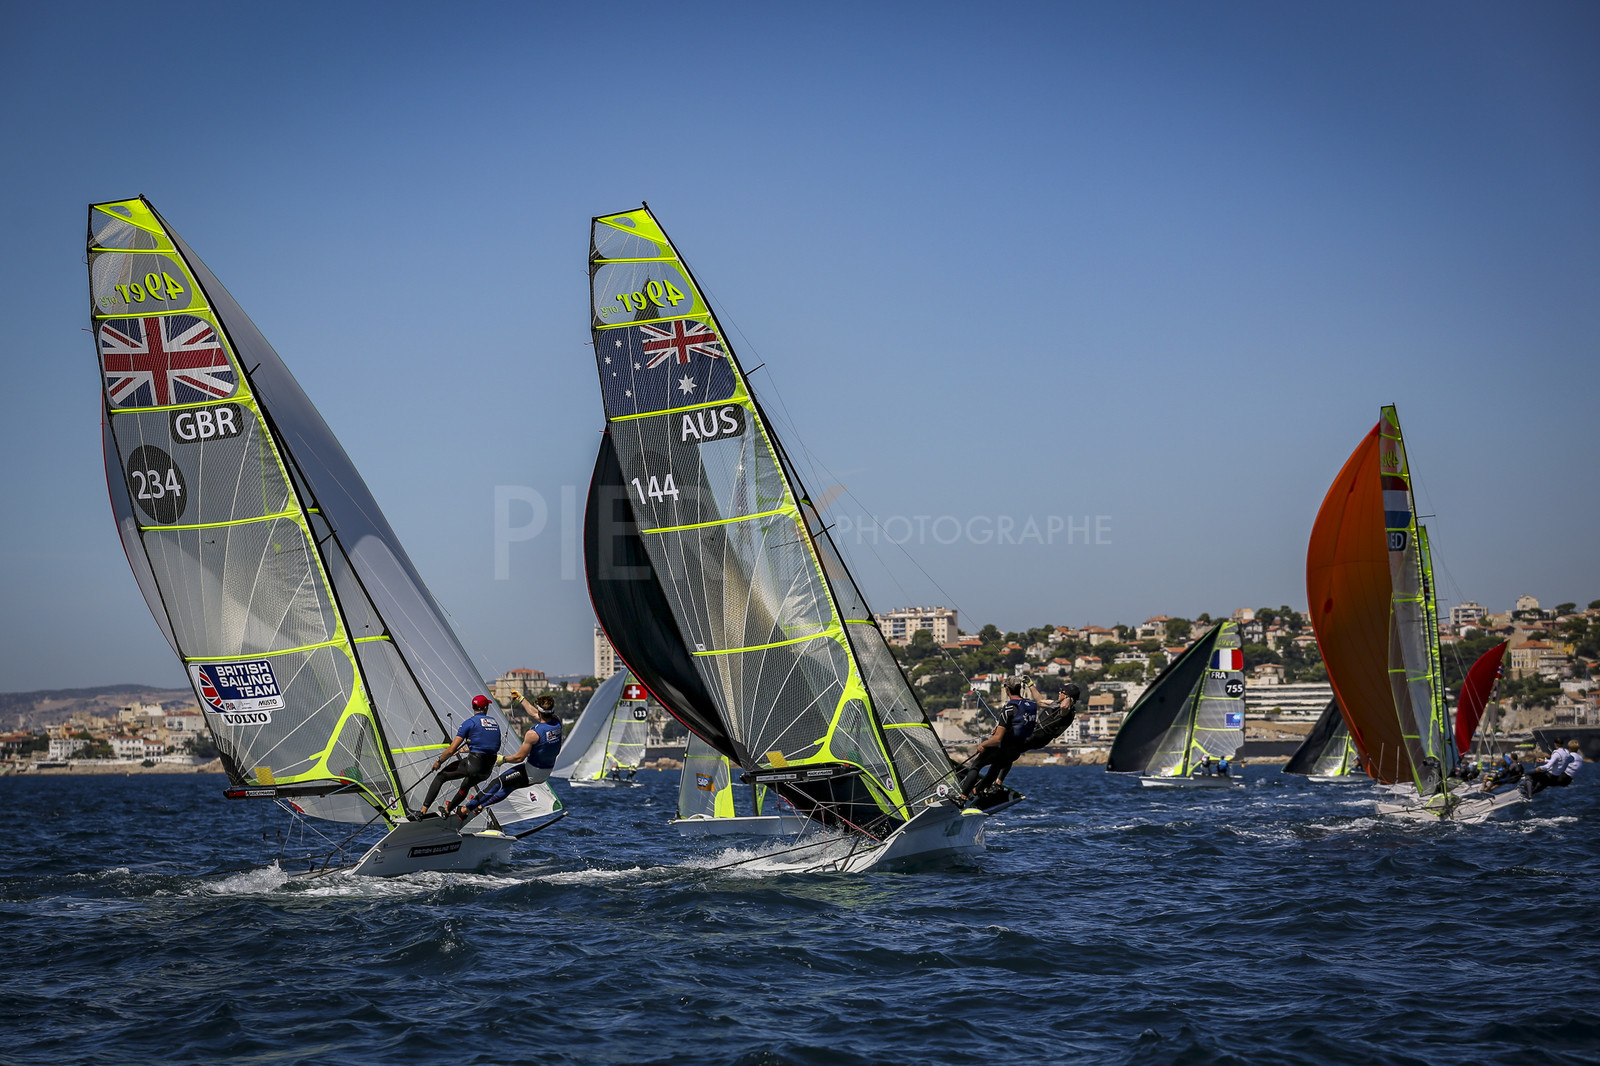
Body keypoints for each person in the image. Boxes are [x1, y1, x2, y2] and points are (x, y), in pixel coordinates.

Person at [959, 678, 1072, 800]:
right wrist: (1031, 684)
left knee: (979, 764)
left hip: (1033, 738)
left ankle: (964, 797)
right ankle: (981, 789)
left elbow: (998, 739)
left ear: (1007, 689)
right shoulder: (1032, 705)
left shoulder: (1066, 709)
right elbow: (1038, 702)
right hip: (1023, 742)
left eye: (1062, 692)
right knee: (1000, 762)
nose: (1060, 692)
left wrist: (985, 744)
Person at [457, 695, 563, 820]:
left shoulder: (533, 734)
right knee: (510, 786)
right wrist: (522, 699)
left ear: (539, 712)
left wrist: (503, 759)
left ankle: (466, 809)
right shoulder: (557, 721)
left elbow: (519, 758)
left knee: (497, 782)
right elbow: (535, 713)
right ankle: (480, 807)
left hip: (531, 771)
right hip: (546, 773)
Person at [413, 694, 503, 819]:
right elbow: (490, 746)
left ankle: (422, 812)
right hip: (487, 769)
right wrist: (465, 750)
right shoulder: (494, 723)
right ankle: (447, 810)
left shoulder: (469, 723)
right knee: (466, 785)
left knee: (440, 777)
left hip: (473, 764)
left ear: (473, 707)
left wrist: (439, 761)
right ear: (486, 707)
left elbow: (450, 750)